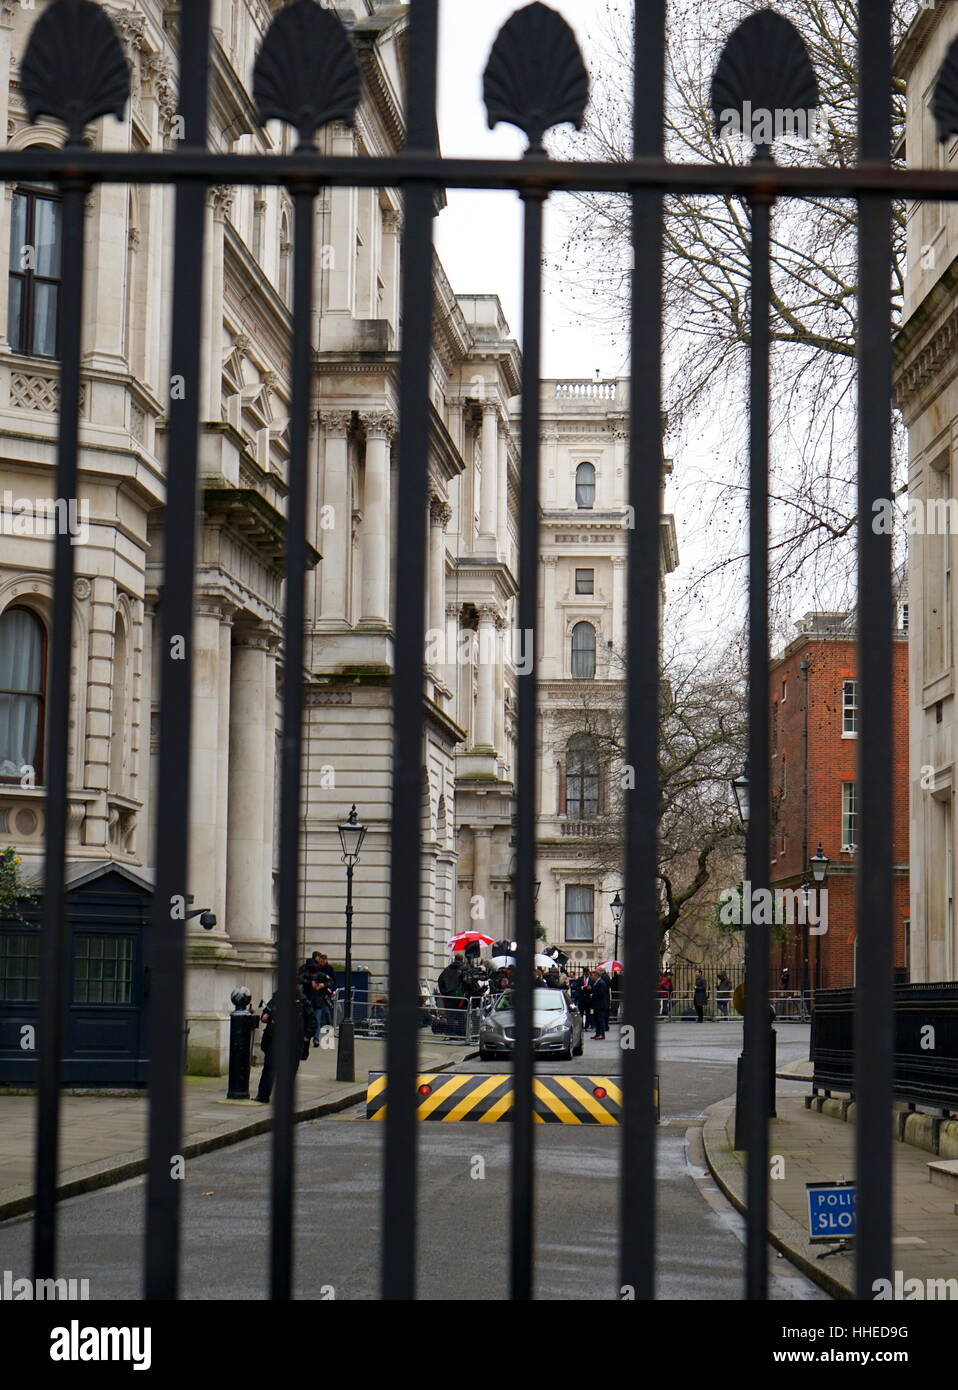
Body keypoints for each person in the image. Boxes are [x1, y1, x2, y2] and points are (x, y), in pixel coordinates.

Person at [255, 991, 315, 1103]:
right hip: (275, 1039)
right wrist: (265, 1016)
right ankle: (263, 1096)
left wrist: (306, 1036)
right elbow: (266, 1013)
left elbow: (312, 1020)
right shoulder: (278, 997)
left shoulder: (302, 1000)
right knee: (269, 1068)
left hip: (294, 1041)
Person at [302, 951, 336, 1044]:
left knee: (317, 1019)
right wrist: (309, 982)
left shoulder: (322, 975)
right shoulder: (305, 974)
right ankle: (307, 1036)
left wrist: (323, 985)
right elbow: (299, 979)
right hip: (308, 1000)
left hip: (318, 1000)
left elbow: (331, 981)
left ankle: (316, 1038)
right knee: (309, 1019)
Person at [590, 968, 611, 1040]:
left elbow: (601, 994)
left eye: (592, 976)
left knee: (600, 1020)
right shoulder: (596, 982)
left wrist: (593, 995)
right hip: (597, 1005)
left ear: (596, 976)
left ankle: (602, 1034)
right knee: (597, 1020)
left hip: (600, 1005)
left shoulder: (601, 983)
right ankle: (598, 1033)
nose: (591, 977)